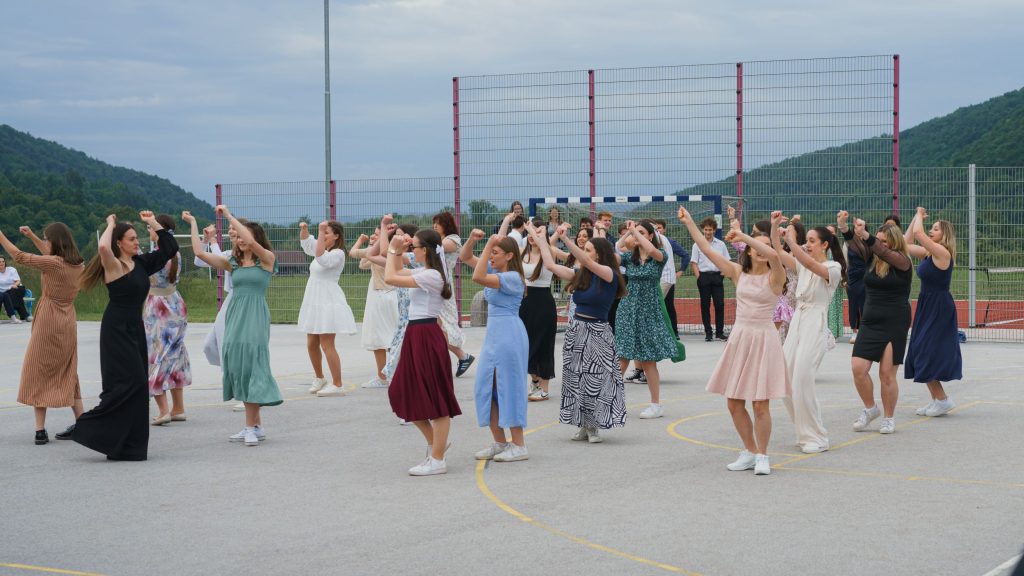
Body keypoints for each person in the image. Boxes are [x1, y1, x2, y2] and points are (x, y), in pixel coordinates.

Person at [681, 210, 787, 474]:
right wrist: (689, 222)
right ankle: (749, 450)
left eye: (765, 246)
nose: (761, 251)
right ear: (748, 251)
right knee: (734, 402)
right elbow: (706, 249)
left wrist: (745, 237)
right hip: (740, 338)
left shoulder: (776, 276)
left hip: (764, 339)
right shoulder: (738, 272)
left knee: (760, 404)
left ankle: (763, 455)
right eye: (756, 247)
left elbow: (775, 255)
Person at [74, 212, 178, 461]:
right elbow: (103, 246)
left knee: (139, 386)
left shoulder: (141, 263)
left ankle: (128, 446)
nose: (137, 242)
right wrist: (111, 224)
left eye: (136, 238)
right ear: (119, 243)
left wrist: (152, 222)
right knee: (126, 384)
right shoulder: (113, 265)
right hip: (116, 330)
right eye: (131, 239)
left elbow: (170, 248)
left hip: (135, 328)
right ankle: (88, 427)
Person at [186, 207, 282, 447]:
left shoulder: (267, 259)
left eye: (243, 236)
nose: (240, 240)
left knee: (252, 364)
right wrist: (193, 223)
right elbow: (199, 253)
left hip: (255, 316)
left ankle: (250, 427)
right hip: (235, 316)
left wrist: (229, 216)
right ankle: (256, 426)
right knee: (239, 364)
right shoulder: (233, 263)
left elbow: (251, 241)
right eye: (237, 237)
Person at [531, 222, 627, 442]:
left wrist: (565, 239)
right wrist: (541, 239)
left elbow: (585, 261)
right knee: (576, 379)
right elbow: (550, 264)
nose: (584, 252)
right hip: (577, 331)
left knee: (595, 380)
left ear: (599, 254)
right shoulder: (582, 274)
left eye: (588, 249)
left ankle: (593, 426)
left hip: (598, 332)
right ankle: (583, 424)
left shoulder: (609, 274)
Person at [383, 218, 461, 476]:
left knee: (436, 398)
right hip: (416, 333)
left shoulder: (432, 275)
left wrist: (394, 249)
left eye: (414, 246)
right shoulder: (426, 272)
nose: (411, 250)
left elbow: (390, 277)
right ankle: (436, 444)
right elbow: (396, 270)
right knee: (402, 390)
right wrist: (396, 251)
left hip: (426, 334)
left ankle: (437, 459)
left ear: (425, 250)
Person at [0, 224, 85, 444]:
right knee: (68, 369)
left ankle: (40, 430)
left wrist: (1, 236)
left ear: (54, 241)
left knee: (39, 367)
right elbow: (49, 254)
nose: (45, 242)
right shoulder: (78, 264)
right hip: (68, 318)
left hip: (49, 317)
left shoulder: (54, 264)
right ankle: (83, 423)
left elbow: (19, 256)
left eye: (47, 239)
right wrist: (33, 236)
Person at [772, 213, 847, 454]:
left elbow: (812, 265)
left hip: (815, 321)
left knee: (802, 379)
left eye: (813, 241)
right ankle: (804, 431)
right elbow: (778, 252)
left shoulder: (833, 267)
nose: (808, 244)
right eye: (808, 240)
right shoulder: (803, 265)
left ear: (825, 245)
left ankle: (818, 436)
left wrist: (792, 242)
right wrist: (775, 228)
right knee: (785, 379)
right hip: (798, 321)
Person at [461, 231, 530, 463]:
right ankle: (500, 442)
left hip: (509, 335)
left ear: (509, 255)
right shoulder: (496, 271)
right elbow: (465, 256)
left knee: (509, 387)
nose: (490, 256)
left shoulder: (513, 277)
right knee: (486, 387)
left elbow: (477, 277)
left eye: (496, 253)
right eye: (490, 253)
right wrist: (473, 240)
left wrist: (490, 241)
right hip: (494, 336)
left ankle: (519, 445)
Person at [841, 214, 912, 435]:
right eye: (878, 240)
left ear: (894, 242)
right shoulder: (871, 257)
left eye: (884, 241)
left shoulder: (903, 261)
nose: (879, 244)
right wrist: (846, 228)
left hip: (894, 321)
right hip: (870, 320)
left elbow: (883, 252)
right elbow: (855, 244)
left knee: (886, 374)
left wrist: (867, 235)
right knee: (858, 368)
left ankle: (889, 418)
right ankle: (871, 409)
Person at [615, 220, 677, 419]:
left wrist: (635, 230)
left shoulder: (659, 255)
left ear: (651, 235)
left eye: (642, 232)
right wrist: (629, 234)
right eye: (636, 232)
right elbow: (616, 248)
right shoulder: (628, 257)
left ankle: (656, 405)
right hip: (628, 310)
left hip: (649, 312)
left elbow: (651, 249)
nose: (637, 235)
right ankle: (609, 402)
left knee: (648, 360)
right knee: (622, 357)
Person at [903, 206, 962, 417]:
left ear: (944, 235)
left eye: (935, 229)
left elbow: (919, 233)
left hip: (939, 307)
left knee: (925, 351)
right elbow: (905, 243)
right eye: (931, 228)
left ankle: (943, 400)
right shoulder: (928, 253)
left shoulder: (942, 253)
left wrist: (920, 215)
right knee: (919, 350)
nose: (931, 231)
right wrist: (915, 217)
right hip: (926, 305)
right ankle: (937, 400)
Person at [298, 220, 357, 397]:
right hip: (313, 300)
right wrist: (305, 230)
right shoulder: (321, 247)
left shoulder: (338, 254)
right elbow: (307, 244)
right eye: (323, 233)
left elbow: (321, 258)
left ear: (336, 236)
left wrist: (320, 232)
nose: (323, 236)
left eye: (327, 232)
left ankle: (338, 384)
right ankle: (320, 378)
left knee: (327, 344)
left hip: (327, 301)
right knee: (311, 343)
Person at [145, 214, 192, 425]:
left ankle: (163, 410)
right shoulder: (176, 254)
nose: (148, 231)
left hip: (158, 307)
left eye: (150, 227)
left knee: (156, 355)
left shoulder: (158, 255)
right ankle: (178, 408)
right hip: (175, 302)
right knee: (175, 354)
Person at [349, 229, 399, 388]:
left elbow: (353, 253)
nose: (374, 235)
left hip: (380, 295)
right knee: (394, 336)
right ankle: (394, 373)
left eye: (378, 233)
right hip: (393, 294)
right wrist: (373, 244)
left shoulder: (379, 252)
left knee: (378, 338)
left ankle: (383, 377)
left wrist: (361, 241)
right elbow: (363, 264)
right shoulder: (395, 250)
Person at [432, 211, 475, 377]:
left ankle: (462, 356)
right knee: (435, 324)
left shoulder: (452, 240)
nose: (435, 226)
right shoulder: (440, 240)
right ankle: (459, 357)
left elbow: (434, 247)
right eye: (434, 223)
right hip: (434, 282)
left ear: (446, 224)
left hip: (443, 286)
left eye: (438, 223)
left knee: (445, 324)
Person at [520, 220, 557, 401]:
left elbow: (545, 248)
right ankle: (534, 379)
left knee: (543, 343)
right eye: (528, 233)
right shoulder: (522, 252)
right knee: (526, 342)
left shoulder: (549, 251)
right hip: (525, 302)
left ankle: (544, 387)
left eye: (535, 233)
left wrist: (533, 231)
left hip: (543, 302)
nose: (531, 236)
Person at [690, 217, 730, 341]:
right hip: (704, 277)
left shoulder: (721, 244)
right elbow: (694, 263)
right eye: (706, 229)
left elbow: (726, 260)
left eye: (710, 230)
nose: (708, 232)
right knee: (705, 305)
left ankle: (719, 333)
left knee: (720, 305)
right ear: (703, 230)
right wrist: (699, 277)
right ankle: (708, 333)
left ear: (714, 230)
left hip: (717, 277)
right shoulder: (697, 245)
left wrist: (722, 274)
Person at [825, 224, 847, 340]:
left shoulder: (837, 249)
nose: (829, 234)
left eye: (832, 232)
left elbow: (843, 264)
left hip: (834, 283)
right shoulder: (821, 249)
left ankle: (833, 332)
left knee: (834, 307)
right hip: (823, 282)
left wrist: (843, 279)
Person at [0, 255, 31, 322]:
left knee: (14, 291)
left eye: (3, 261)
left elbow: (18, 281)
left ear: (5, 262)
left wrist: (14, 285)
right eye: (0, 262)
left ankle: (9, 310)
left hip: (17, 288)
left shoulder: (11, 269)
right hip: (6, 292)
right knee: (12, 295)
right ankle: (24, 315)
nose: (1, 263)